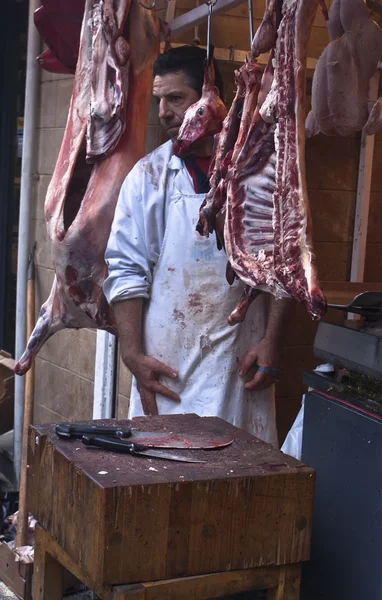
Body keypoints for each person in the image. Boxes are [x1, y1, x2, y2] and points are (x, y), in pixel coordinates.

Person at [103, 45, 292, 448]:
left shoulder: (258, 169)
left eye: (176, 99)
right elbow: (124, 268)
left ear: (213, 99)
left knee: (238, 481)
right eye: (159, 100)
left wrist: (272, 339)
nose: (164, 112)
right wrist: (132, 354)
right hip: (169, 364)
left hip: (241, 361)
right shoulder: (150, 176)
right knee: (165, 473)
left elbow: (282, 260)